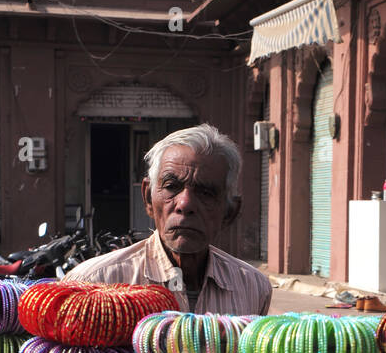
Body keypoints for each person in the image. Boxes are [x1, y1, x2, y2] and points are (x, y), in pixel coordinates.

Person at [65, 124, 272, 316]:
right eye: (172, 186)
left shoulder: (253, 288)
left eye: (206, 193)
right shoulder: (92, 283)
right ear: (147, 198)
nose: (185, 204)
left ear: (229, 213)